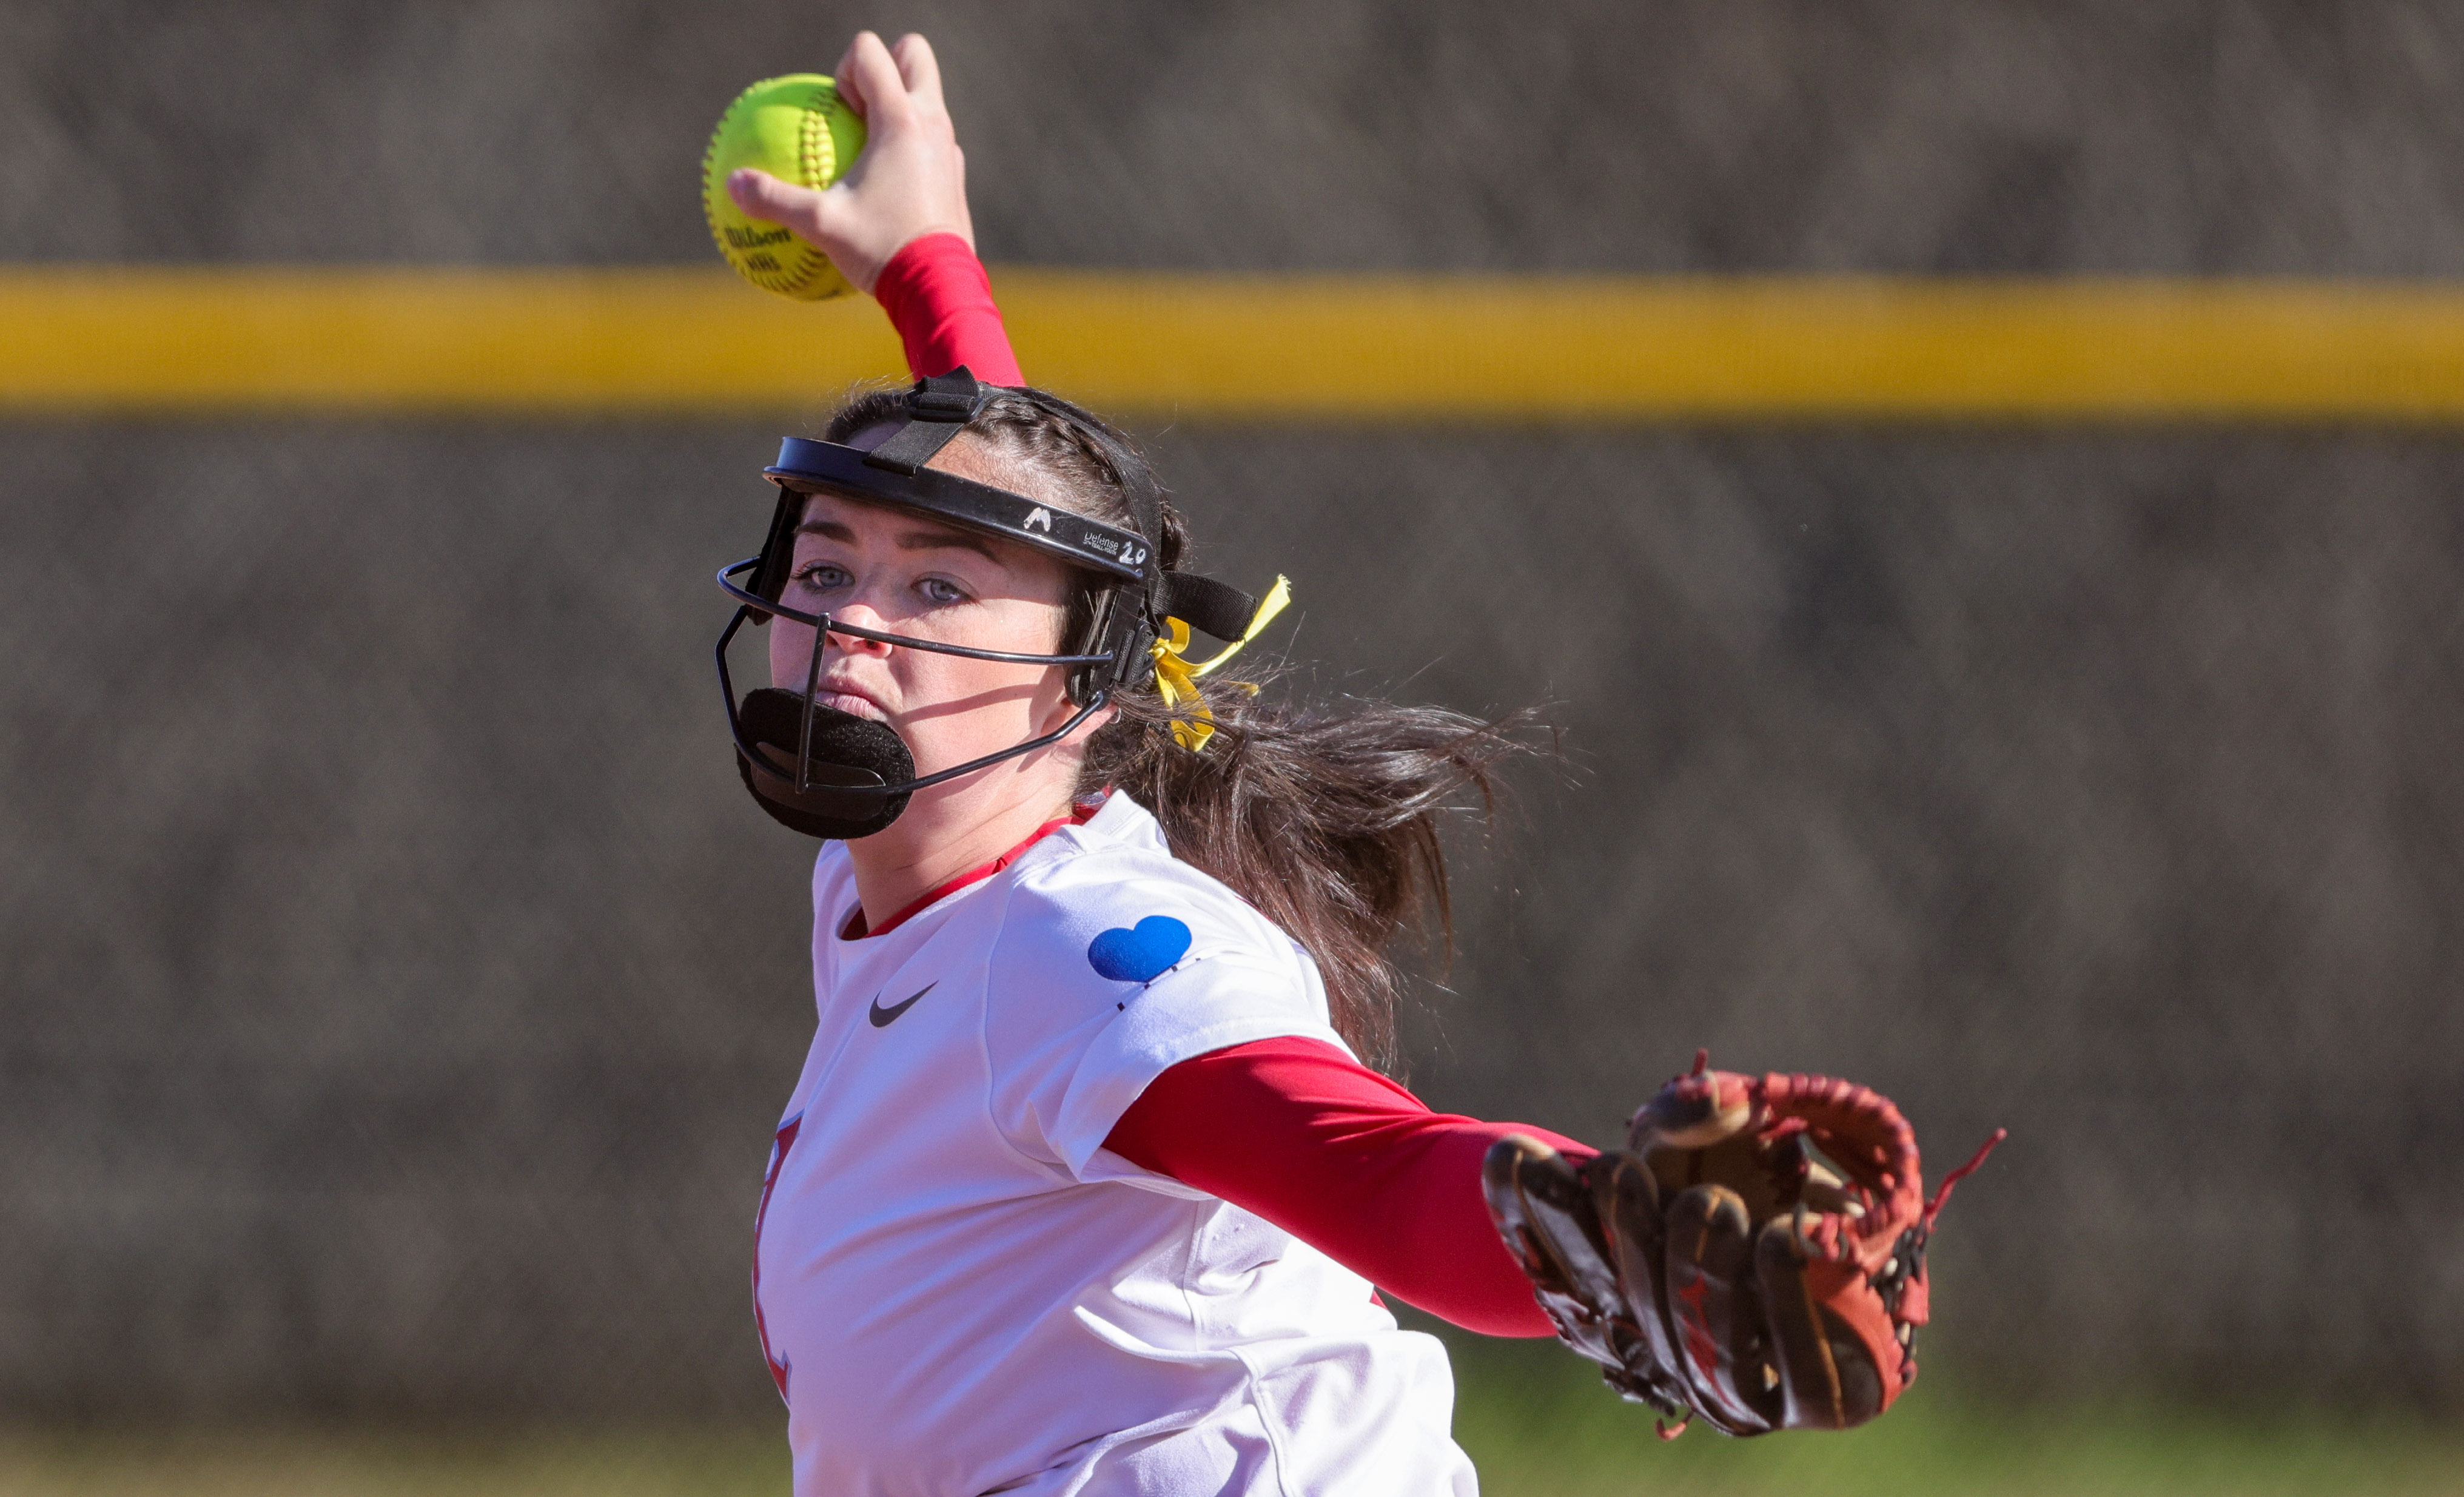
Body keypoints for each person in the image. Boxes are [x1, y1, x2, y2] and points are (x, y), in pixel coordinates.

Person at [718, 32, 1588, 1496]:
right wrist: (929, 271)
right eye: (824, 568)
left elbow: (1372, 1172)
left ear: (1081, 685)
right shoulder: (900, 888)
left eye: (933, 589)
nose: (855, 619)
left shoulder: (1074, 949)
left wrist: (1618, 1238)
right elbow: (1030, 525)